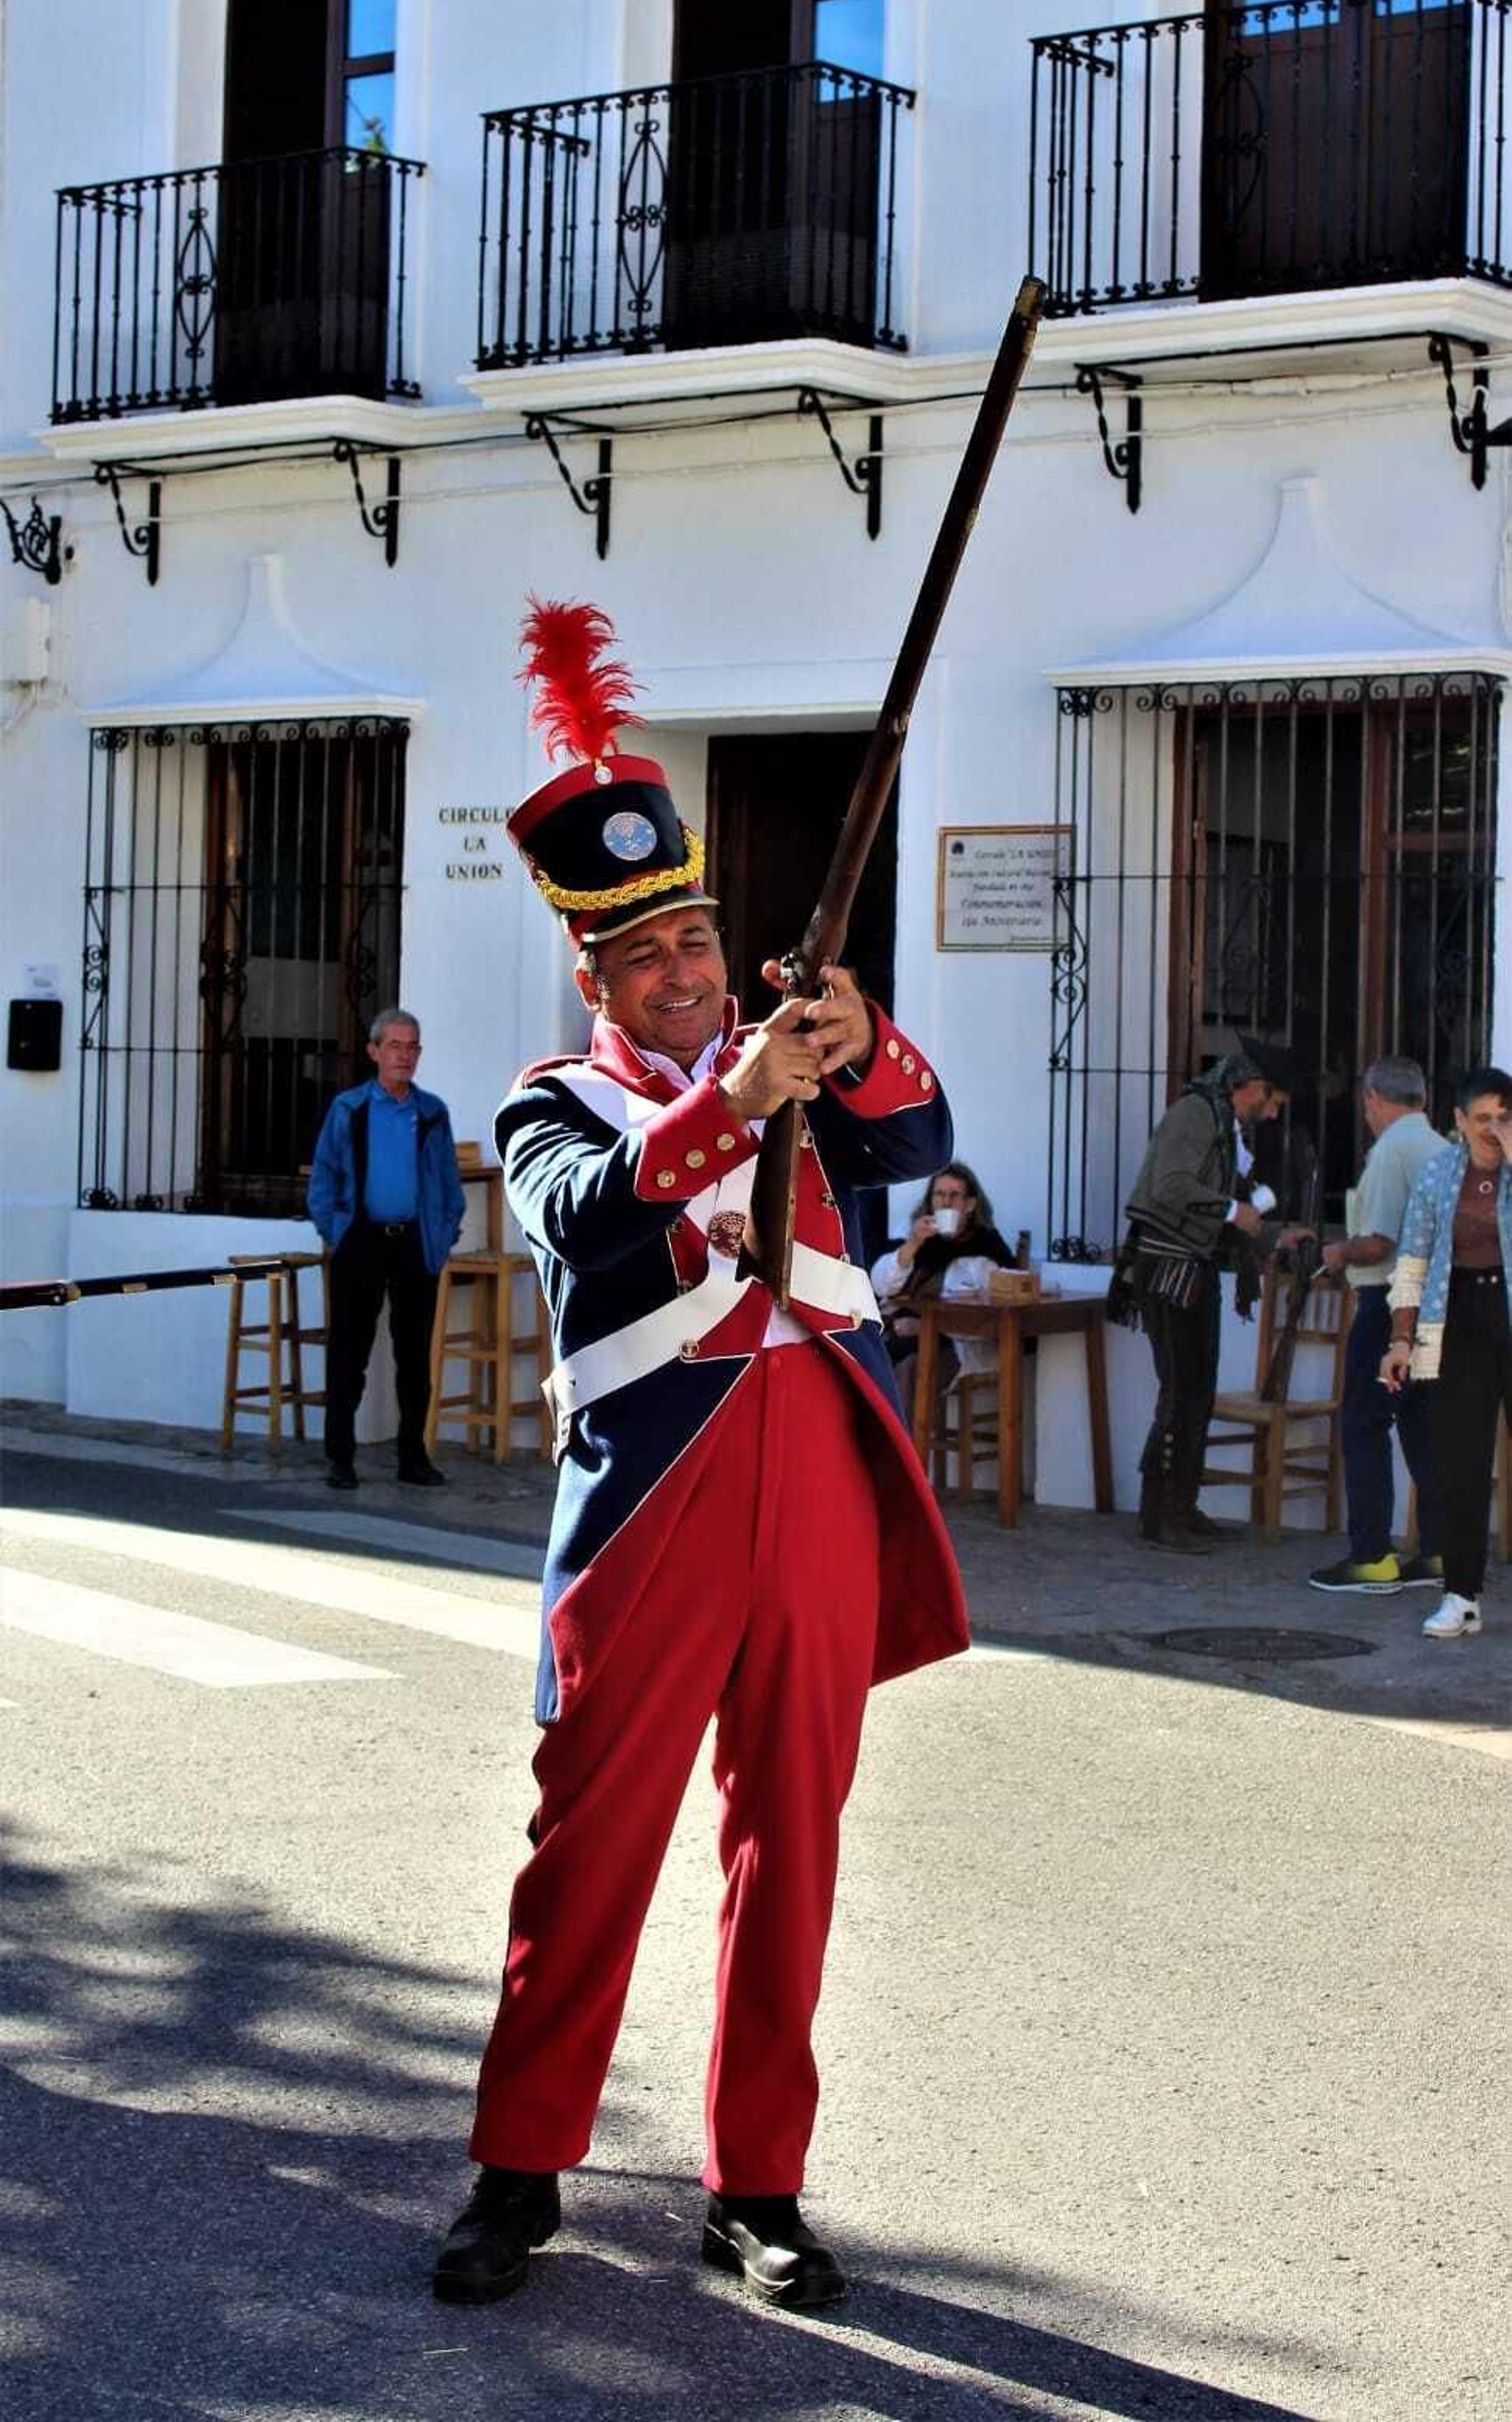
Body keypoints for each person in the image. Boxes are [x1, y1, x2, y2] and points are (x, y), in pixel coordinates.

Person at [433, 601, 968, 2314]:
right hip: (655, 1502)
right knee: (589, 1840)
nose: (689, 969)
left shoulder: (790, 1056)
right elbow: (596, 1222)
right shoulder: (549, 1102)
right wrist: (732, 1096)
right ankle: (519, 2171)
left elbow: (917, 1135)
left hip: (816, 1473)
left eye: (701, 938)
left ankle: (760, 2185)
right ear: (595, 978)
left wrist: (851, 1034)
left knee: (793, 1840)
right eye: (653, 954)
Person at [1108, 1037, 1310, 1555]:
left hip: (1193, 1270)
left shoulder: (1226, 1128)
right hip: (1168, 1270)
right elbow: (1170, 1187)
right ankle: (1160, 1515)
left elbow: (1233, 1209)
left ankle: (1182, 1505)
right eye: (1272, 1103)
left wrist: (1271, 1236)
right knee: (1180, 1390)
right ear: (1254, 1087)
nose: (1270, 1115)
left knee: (1196, 1390)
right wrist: (1230, 1213)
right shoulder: (1194, 1115)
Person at [306, 1008, 464, 1491]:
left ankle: (413, 1458)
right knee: (348, 1353)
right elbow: (324, 1176)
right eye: (395, 1046)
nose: (405, 1056)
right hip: (362, 1241)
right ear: (374, 1051)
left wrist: (443, 1234)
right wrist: (337, 1231)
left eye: (412, 1047)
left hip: (414, 1243)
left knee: (414, 1358)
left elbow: (448, 1183)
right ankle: (340, 1458)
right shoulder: (350, 1109)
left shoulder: (432, 1112)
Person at [1307, 1056, 1447, 1595]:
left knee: (1364, 1424)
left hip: (1389, 1303)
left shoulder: (1391, 1151)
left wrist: (1338, 1251)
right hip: (1433, 1307)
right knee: (1419, 1427)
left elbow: (1381, 1240)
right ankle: (1436, 1551)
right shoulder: (1439, 1148)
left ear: (1373, 1099)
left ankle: (1372, 1558)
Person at [1382, 1065, 1512, 1640]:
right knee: (1461, 1463)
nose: (1492, 1129)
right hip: (1457, 1317)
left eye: (1503, 1118)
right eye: (1481, 1118)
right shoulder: (1438, 1175)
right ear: (1457, 1121)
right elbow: (1411, 1263)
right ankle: (1461, 1595)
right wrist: (1400, 1340)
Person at [869, 1161, 1016, 1413]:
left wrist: (926, 1327)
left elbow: (990, 1307)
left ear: (969, 1204)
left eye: (954, 1195)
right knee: (864, 1354)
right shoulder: (916, 1235)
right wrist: (914, 1243)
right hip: (899, 1329)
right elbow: (882, 1285)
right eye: (939, 1195)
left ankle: (904, 1448)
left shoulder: (985, 1244)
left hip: (955, 1342)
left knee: (911, 1365)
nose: (946, 1202)